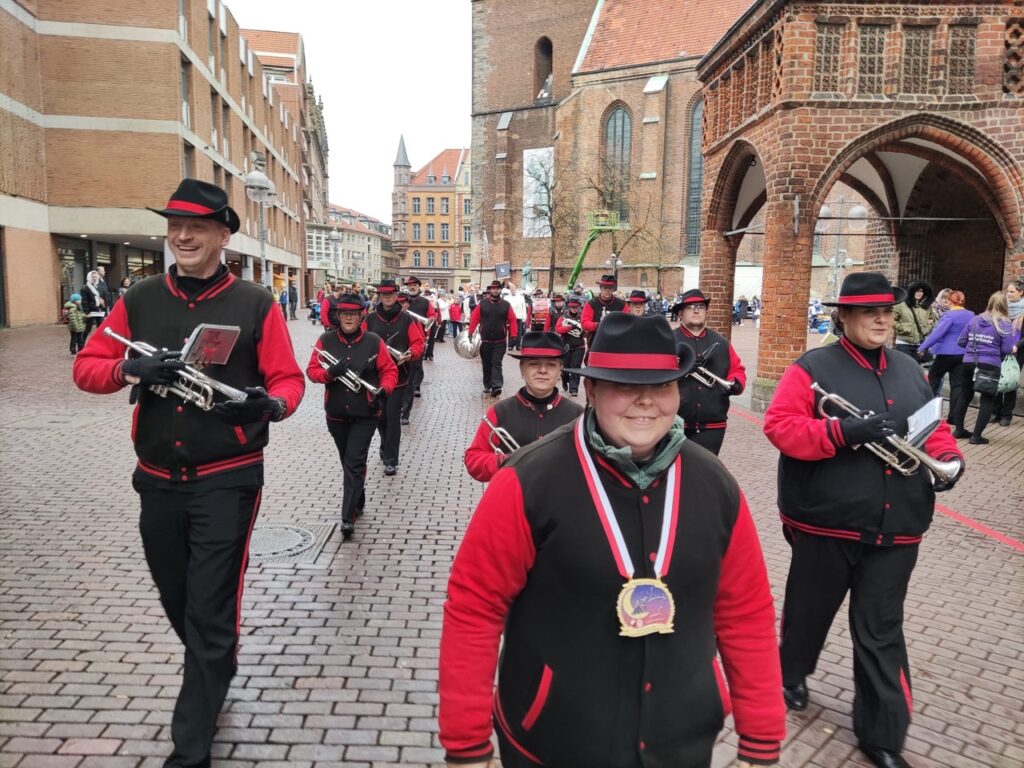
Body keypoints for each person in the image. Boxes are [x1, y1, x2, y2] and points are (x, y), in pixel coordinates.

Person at [440, 312, 786, 768]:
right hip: (552, 743)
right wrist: (466, 745)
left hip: (680, 745)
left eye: (662, 385)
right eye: (625, 384)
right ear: (593, 389)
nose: (646, 401)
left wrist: (761, 740)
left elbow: (745, 613)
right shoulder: (526, 480)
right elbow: (474, 608)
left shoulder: (715, 483)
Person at [73, 178, 305, 767]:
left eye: (196, 227)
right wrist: (131, 369)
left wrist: (270, 405)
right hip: (156, 478)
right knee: (177, 594)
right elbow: (87, 368)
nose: (182, 236)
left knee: (209, 605)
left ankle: (190, 748)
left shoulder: (255, 303)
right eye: (175, 226)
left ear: (223, 234)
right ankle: (215, 657)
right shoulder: (143, 297)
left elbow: (289, 381)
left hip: (227, 477)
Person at [763, 272, 963, 768]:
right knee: (808, 614)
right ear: (844, 316)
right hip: (825, 523)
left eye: (887, 311)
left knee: (880, 630)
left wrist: (950, 460)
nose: (882, 319)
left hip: (897, 528)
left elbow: (931, 429)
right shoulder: (811, 368)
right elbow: (781, 427)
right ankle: (791, 674)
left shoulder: (909, 369)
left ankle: (883, 735)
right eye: (870, 311)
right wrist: (842, 431)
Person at [307, 292, 398, 538]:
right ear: (338, 316)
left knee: (354, 462)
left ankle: (348, 517)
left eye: (353, 314)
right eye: (344, 314)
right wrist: (329, 374)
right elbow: (312, 370)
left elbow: (389, 371)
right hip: (335, 414)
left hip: (365, 413)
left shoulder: (373, 341)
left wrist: (384, 389)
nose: (348, 318)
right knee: (347, 461)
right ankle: (358, 496)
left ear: (361, 316)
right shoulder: (325, 340)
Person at [464, 332, 583, 482]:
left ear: (560, 370)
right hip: (510, 501)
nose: (543, 370)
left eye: (551, 365)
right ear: (522, 369)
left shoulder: (578, 415)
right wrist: (505, 462)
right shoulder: (500, 411)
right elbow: (473, 458)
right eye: (534, 364)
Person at [674, 289, 746, 456]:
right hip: (674, 423)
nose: (697, 310)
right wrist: (680, 368)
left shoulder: (721, 342)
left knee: (705, 476)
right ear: (680, 313)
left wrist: (735, 383)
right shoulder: (669, 340)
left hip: (713, 425)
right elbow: (656, 374)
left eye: (701, 306)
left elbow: (737, 370)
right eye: (691, 307)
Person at [363, 279, 425, 469]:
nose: (387, 297)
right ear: (379, 296)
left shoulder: (407, 319)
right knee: (380, 418)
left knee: (392, 418)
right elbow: (362, 341)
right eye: (384, 294)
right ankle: (384, 445)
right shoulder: (370, 319)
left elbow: (418, 343)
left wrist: (410, 354)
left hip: (399, 377)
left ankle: (391, 460)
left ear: (396, 295)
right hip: (376, 378)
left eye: (390, 294)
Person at [952, 291, 1018, 444]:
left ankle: (958, 430)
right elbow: (1007, 349)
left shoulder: (974, 320)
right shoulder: (1004, 323)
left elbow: (961, 341)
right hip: (990, 364)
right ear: (1004, 306)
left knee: (965, 395)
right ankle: (976, 436)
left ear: (989, 302)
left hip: (969, 362)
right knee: (987, 399)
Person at [918, 290, 972, 399]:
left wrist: (922, 347)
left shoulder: (949, 315)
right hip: (962, 354)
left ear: (950, 302)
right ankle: (954, 416)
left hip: (946, 353)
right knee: (957, 385)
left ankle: (929, 411)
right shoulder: (971, 315)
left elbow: (937, 334)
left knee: (933, 378)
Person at [467, 280, 517, 397]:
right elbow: (474, 318)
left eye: (497, 288)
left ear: (500, 290)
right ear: (490, 290)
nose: (495, 290)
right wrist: (470, 332)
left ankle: (497, 385)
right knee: (486, 363)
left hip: (500, 341)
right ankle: (487, 384)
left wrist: (513, 335)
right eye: (493, 288)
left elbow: (512, 320)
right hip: (485, 341)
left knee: (496, 362)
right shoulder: (483, 304)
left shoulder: (506, 305)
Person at [992, 280, 1023, 426]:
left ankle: (1006, 415)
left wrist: (1017, 345)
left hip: (1018, 351)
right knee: (996, 378)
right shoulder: (1002, 308)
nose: (1008, 294)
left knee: (1011, 380)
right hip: (1000, 348)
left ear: (1021, 292)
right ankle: (995, 411)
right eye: (1007, 291)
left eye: (1012, 292)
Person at [402, 276, 434, 411]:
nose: (412, 287)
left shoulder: (425, 302)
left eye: (414, 285)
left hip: (419, 335)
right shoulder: (402, 300)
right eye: (410, 285)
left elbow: (431, 316)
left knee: (418, 364)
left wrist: (427, 329)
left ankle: (416, 386)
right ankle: (406, 386)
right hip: (404, 336)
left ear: (418, 286)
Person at [892, 281, 935, 360]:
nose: (919, 293)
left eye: (922, 291)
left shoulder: (927, 307)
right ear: (912, 291)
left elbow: (932, 320)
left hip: (919, 344)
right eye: (917, 291)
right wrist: (903, 328)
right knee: (905, 368)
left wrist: (927, 328)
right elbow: (891, 320)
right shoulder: (901, 305)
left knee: (915, 368)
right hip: (903, 343)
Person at [554, 295, 586, 396]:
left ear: (579, 307)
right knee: (566, 368)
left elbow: (586, 331)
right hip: (566, 346)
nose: (574, 309)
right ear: (569, 307)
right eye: (572, 307)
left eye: (576, 307)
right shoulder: (563, 317)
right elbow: (558, 329)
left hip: (579, 346)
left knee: (576, 367)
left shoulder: (582, 318)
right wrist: (570, 327)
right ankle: (565, 381)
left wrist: (584, 330)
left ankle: (574, 388)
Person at [80, 269, 107, 338]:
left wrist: (104, 308)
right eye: (92, 277)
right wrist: (86, 312)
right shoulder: (85, 288)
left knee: (100, 328)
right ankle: (81, 344)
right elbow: (84, 301)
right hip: (91, 310)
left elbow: (104, 299)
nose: (94, 278)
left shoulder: (101, 287)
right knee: (88, 328)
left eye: (95, 276)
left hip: (99, 309)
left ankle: (99, 343)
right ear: (89, 277)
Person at [506, 285, 528, 350]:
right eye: (511, 288)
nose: (512, 290)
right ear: (510, 289)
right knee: (510, 331)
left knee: (519, 331)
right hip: (510, 316)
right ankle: (510, 345)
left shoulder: (521, 297)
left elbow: (523, 307)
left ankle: (518, 345)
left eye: (513, 288)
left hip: (519, 315)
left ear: (516, 289)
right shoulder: (506, 297)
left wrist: (524, 316)